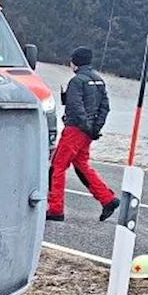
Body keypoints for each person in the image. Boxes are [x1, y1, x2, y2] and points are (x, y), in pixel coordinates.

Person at [47, 46, 120, 222]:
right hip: (87, 133)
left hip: (75, 130)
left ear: (75, 62)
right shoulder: (99, 81)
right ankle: (107, 199)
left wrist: (85, 126)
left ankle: (55, 208)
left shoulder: (76, 81)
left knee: (57, 167)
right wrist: (95, 129)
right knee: (81, 165)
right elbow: (105, 107)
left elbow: (75, 107)